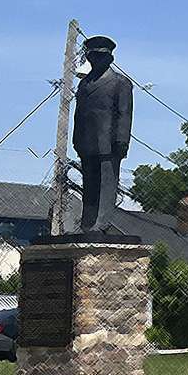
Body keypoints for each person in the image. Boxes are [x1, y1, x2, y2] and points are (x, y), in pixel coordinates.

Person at [71, 35, 132, 232]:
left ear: (109, 59)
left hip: (109, 143)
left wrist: (122, 140)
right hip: (87, 142)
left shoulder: (119, 83)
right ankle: (87, 222)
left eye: (100, 56)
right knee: (89, 182)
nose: (96, 60)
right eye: (93, 56)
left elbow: (124, 113)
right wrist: (76, 138)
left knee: (106, 183)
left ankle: (102, 222)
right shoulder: (84, 84)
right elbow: (79, 113)